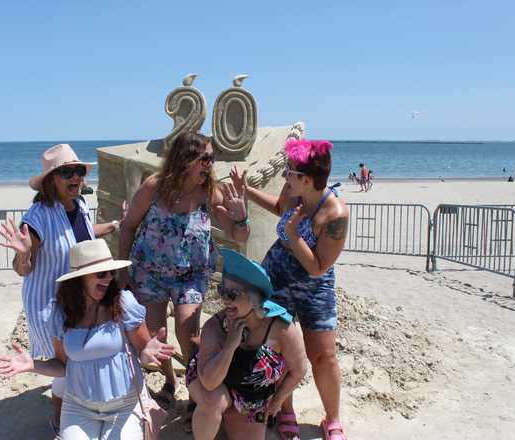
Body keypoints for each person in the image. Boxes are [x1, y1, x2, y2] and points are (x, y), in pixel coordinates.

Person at [118, 132, 250, 421]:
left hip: (191, 274)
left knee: (189, 334)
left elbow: (239, 235)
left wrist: (241, 215)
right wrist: (121, 270)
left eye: (212, 159)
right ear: (185, 159)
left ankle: (195, 388)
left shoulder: (210, 193)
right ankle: (169, 380)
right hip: (149, 272)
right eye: (205, 158)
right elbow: (128, 227)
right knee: (154, 334)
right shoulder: (155, 188)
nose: (210, 164)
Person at [0, 239, 175, 440]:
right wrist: (32, 365)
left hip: (125, 405)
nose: (108, 279)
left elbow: (143, 352)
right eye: (101, 274)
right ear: (80, 278)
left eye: (111, 273)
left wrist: (147, 353)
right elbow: (63, 366)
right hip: (79, 406)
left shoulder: (123, 303)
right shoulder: (60, 314)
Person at [0, 143, 123, 434]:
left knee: (75, 359)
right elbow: (22, 269)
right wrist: (25, 253)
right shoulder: (39, 215)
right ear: (52, 180)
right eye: (67, 172)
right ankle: (60, 418)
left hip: (78, 298)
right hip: (49, 303)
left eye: (78, 171)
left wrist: (117, 224)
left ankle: (74, 413)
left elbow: (87, 232)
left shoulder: (78, 206)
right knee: (68, 364)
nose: (76, 177)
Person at [230, 138, 349, 440]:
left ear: (306, 180)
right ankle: (286, 410)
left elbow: (318, 267)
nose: (285, 175)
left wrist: (294, 236)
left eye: (290, 171)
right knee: (278, 347)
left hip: (313, 286)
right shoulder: (293, 192)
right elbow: (280, 207)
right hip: (277, 276)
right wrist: (246, 191)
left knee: (323, 356)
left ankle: (332, 419)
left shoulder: (334, 215)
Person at [187, 249, 308, 440]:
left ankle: (228, 413)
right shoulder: (215, 326)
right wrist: (230, 345)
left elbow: (299, 369)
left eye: (233, 294)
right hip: (213, 385)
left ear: (254, 299)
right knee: (212, 402)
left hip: (251, 396)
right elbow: (209, 383)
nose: (225, 299)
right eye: (222, 291)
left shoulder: (281, 328)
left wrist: (277, 401)